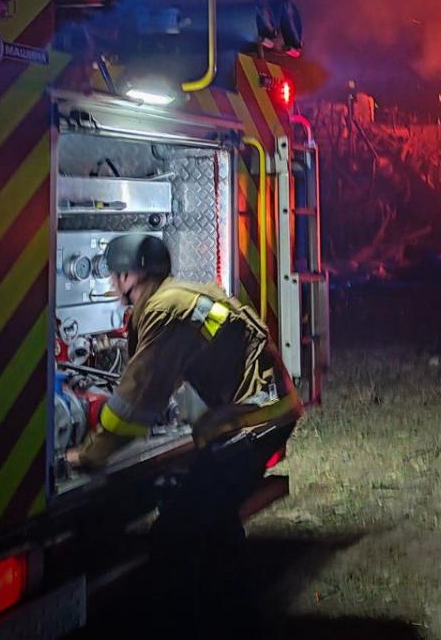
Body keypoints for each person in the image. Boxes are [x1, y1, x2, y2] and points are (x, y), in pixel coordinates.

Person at [67, 233, 301, 627]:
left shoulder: (162, 311)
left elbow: (134, 401)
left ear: (129, 278)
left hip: (253, 422)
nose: (109, 285)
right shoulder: (178, 297)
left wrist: (90, 454)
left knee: (174, 533)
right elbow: (179, 365)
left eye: (113, 276)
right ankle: (238, 621)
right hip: (266, 412)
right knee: (216, 524)